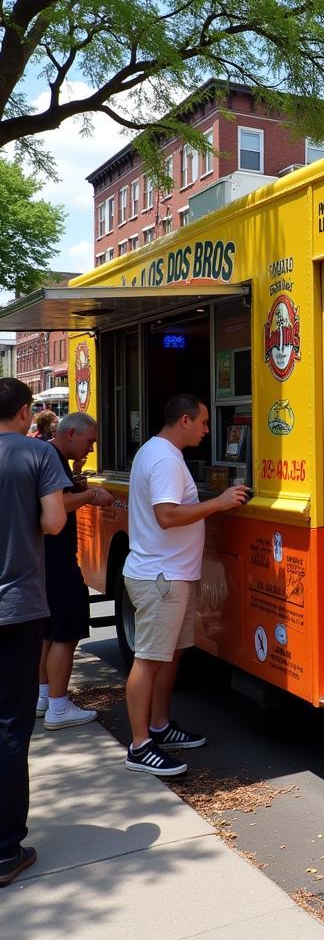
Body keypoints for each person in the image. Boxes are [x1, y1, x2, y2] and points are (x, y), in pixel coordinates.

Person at [122, 394, 247, 776]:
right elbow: (167, 515)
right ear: (184, 421)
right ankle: (140, 745)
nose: (208, 430)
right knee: (148, 658)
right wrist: (220, 503)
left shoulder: (160, 453)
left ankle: (160, 725)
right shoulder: (163, 459)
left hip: (168, 574)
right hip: (162, 577)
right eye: (204, 422)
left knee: (170, 655)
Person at [0, 378, 68, 886]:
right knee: (10, 726)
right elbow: (53, 524)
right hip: (18, 608)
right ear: (26, 412)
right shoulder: (37, 455)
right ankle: (6, 850)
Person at [37, 413, 115, 729]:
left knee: (47, 633)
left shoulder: (45, 454)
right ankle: (58, 705)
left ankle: (43, 697)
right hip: (57, 562)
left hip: (44, 562)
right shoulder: (52, 457)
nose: (91, 449)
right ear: (70, 433)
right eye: (89, 441)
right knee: (65, 635)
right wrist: (91, 495)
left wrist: (77, 484)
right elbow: (58, 505)